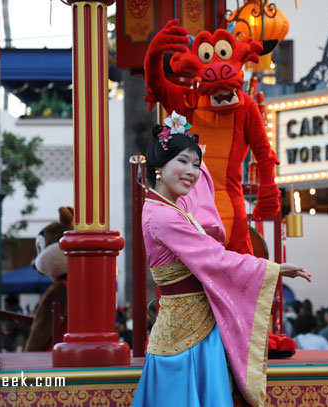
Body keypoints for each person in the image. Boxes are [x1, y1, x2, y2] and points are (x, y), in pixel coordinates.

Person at [132, 114, 311, 407]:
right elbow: (215, 259)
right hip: (186, 342)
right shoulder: (165, 217)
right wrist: (274, 269)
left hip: (192, 333)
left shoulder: (168, 207)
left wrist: (191, 148)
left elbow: (197, 194)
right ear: (159, 168)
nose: (191, 171)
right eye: (182, 162)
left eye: (195, 164)